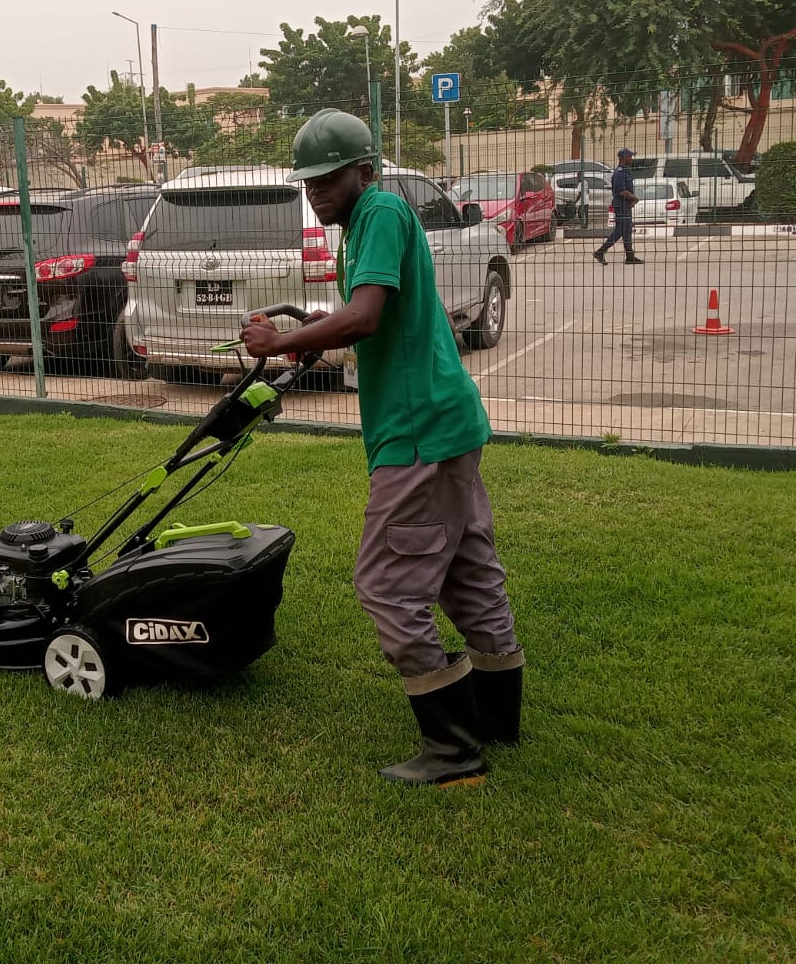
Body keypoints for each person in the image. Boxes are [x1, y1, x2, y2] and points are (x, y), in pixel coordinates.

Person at [240, 108, 524, 788]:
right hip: (445, 421)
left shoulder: (381, 214)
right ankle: (496, 720)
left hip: (418, 430)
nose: (316, 192)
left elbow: (364, 317)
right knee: (467, 574)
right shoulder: (366, 225)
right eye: (309, 182)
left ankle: (453, 751)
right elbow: (375, 316)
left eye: (328, 178)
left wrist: (282, 342)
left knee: (387, 587)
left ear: (364, 171)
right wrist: (317, 326)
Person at [594, 148, 642, 265]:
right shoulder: (619, 173)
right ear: (624, 157)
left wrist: (631, 200)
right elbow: (622, 191)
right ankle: (600, 251)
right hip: (621, 206)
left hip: (626, 206)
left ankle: (630, 256)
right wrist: (634, 198)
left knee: (627, 231)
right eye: (630, 156)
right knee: (619, 231)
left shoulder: (625, 171)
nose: (631, 159)